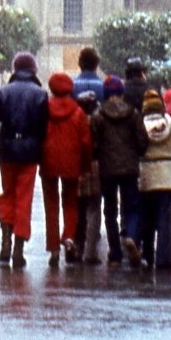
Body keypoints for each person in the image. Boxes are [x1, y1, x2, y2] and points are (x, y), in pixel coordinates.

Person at [0, 51, 49, 268]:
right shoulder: (40, 94)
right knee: (24, 198)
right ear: (33, 70)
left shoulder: (3, 92)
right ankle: (19, 246)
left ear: (15, 68)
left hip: (7, 150)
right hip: (30, 151)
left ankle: (5, 240)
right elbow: (43, 129)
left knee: (7, 194)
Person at [90, 74, 148, 266]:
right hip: (130, 168)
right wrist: (136, 153)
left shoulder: (98, 116)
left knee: (110, 210)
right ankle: (131, 236)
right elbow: (142, 141)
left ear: (105, 94)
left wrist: (100, 156)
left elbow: (94, 146)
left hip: (107, 169)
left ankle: (115, 253)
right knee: (133, 206)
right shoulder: (133, 114)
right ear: (122, 93)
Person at [40, 71, 92, 267]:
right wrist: (85, 166)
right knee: (71, 203)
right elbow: (86, 142)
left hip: (48, 160)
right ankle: (69, 235)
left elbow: (39, 133)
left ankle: (53, 248)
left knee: (51, 204)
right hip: (72, 161)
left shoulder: (44, 110)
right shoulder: (78, 112)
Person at [138, 89, 171, 270]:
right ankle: (164, 258)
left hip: (145, 177)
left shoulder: (139, 127)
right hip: (168, 177)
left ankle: (147, 255)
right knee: (164, 220)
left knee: (147, 219)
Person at [73, 89, 103, 264]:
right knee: (94, 208)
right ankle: (91, 252)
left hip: (77, 167)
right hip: (95, 165)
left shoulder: (74, 121)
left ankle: (76, 247)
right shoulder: (98, 121)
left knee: (78, 209)